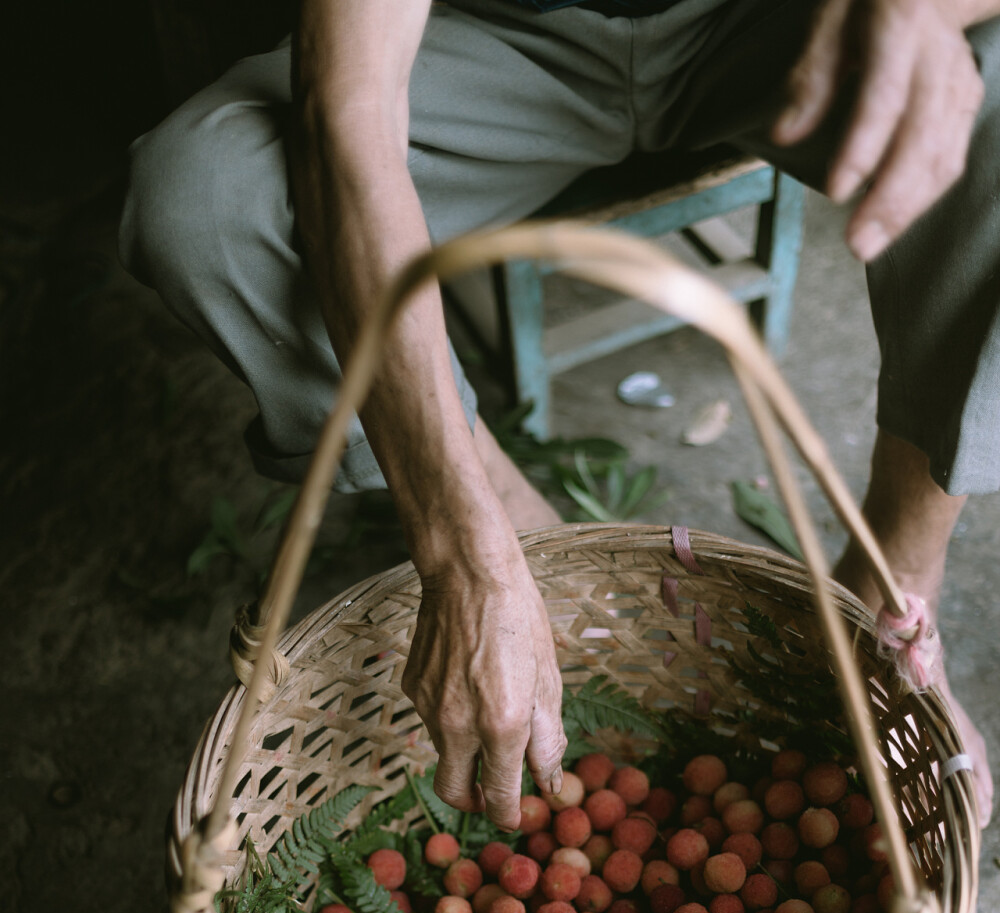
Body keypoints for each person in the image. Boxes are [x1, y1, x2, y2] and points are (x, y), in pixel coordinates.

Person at [121, 0, 998, 829]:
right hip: (497, 39)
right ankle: (516, 536)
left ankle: (890, 576)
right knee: (203, 200)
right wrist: (460, 552)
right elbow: (345, 118)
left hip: (772, 28)